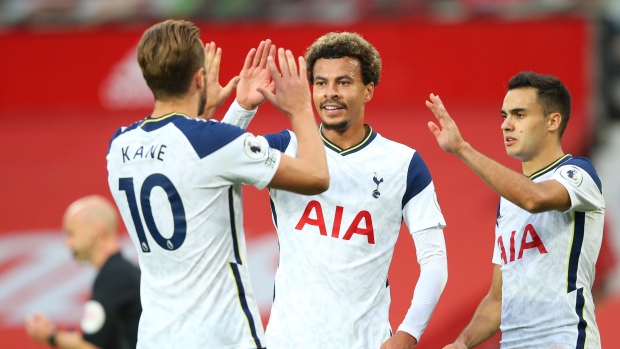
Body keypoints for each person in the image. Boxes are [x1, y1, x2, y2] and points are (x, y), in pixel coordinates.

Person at [106, 20, 329, 349]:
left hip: (155, 336)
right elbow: (315, 176)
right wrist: (299, 108)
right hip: (220, 335)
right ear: (200, 78)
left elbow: (193, 168)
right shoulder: (209, 141)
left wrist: (224, 109)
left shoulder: (119, 145)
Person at [222, 32, 448, 349]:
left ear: (368, 89)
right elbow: (216, 163)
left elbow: (435, 261)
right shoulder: (285, 147)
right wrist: (243, 107)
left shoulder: (404, 164)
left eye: (344, 82)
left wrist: (409, 333)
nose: (330, 94)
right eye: (320, 83)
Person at [426, 71, 605, 348]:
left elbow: (534, 198)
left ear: (552, 122)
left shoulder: (578, 173)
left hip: (566, 339)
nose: (506, 125)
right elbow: (498, 298)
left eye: (519, 115)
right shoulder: (508, 200)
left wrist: (462, 148)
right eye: (504, 115)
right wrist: (462, 342)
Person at [25, 195, 142, 349]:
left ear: (96, 231)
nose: (67, 243)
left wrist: (50, 336)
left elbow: (92, 346)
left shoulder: (113, 277)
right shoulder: (122, 272)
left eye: (71, 234)